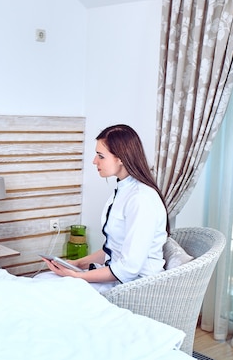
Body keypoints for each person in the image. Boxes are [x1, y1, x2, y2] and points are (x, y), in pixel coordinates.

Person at [40, 124, 168, 292]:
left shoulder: (141, 199)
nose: (94, 161)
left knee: (52, 289)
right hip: (117, 277)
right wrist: (77, 264)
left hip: (136, 287)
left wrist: (79, 276)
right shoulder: (123, 191)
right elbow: (113, 248)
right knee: (44, 279)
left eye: (100, 156)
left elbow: (129, 268)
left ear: (120, 158)